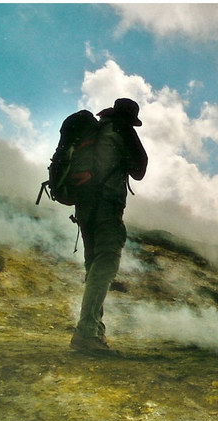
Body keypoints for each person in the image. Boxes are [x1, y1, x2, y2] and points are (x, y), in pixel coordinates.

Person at [70, 98, 148, 354]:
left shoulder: (96, 129)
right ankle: (86, 333)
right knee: (106, 263)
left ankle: (94, 331)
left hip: (84, 208)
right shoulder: (122, 130)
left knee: (94, 265)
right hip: (106, 206)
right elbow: (140, 169)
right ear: (130, 118)